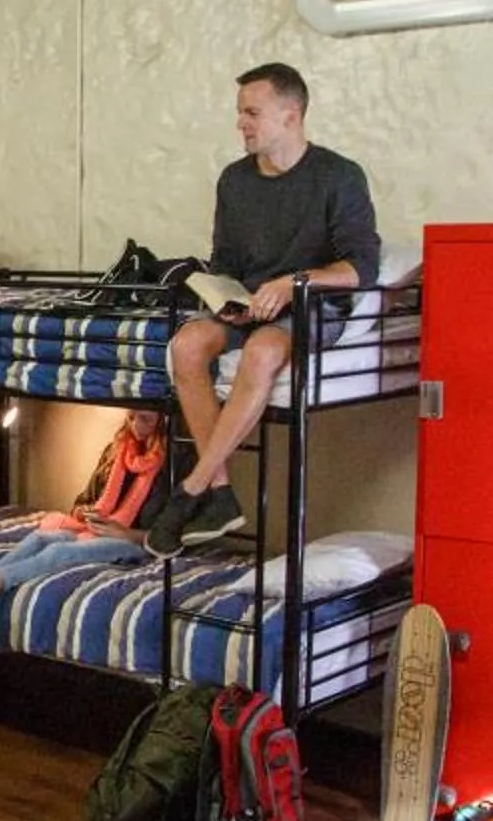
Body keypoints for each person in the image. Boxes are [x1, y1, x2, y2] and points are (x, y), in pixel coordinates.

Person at [146, 63, 379, 558]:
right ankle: (220, 493)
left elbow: (362, 268)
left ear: (290, 115)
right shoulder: (234, 181)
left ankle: (193, 488)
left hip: (311, 304)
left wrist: (294, 284)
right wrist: (223, 300)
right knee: (186, 344)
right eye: (240, 113)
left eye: (252, 113)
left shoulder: (339, 176)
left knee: (263, 349)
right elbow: (225, 261)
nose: (241, 123)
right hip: (248, 303)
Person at [0, 407, 175, 639]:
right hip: (94, 530)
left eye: (145, 419)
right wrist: (85, 511)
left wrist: (124, 532)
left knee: (59, 550)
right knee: (40, 538)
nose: (135, 425)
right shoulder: (118, 450)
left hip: (133, 542)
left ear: (163, 420)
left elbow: (169, 533)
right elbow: (85, 499)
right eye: (131, 416)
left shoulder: (173, 464)